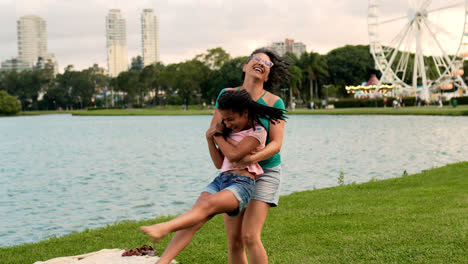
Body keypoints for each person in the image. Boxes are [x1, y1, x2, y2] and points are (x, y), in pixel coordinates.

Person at [150, 48, 292, 264]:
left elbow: (276, 144)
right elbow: (216, 133)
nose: (262, 62)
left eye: (267, 63)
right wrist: (230, 155)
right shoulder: (227, 95)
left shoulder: (274, 103)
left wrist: (249, 158)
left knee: (250, 235)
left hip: (265, 172)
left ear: (267, 75)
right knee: (234, 241)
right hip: (234, 173)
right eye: (257, 58)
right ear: (245, 66)